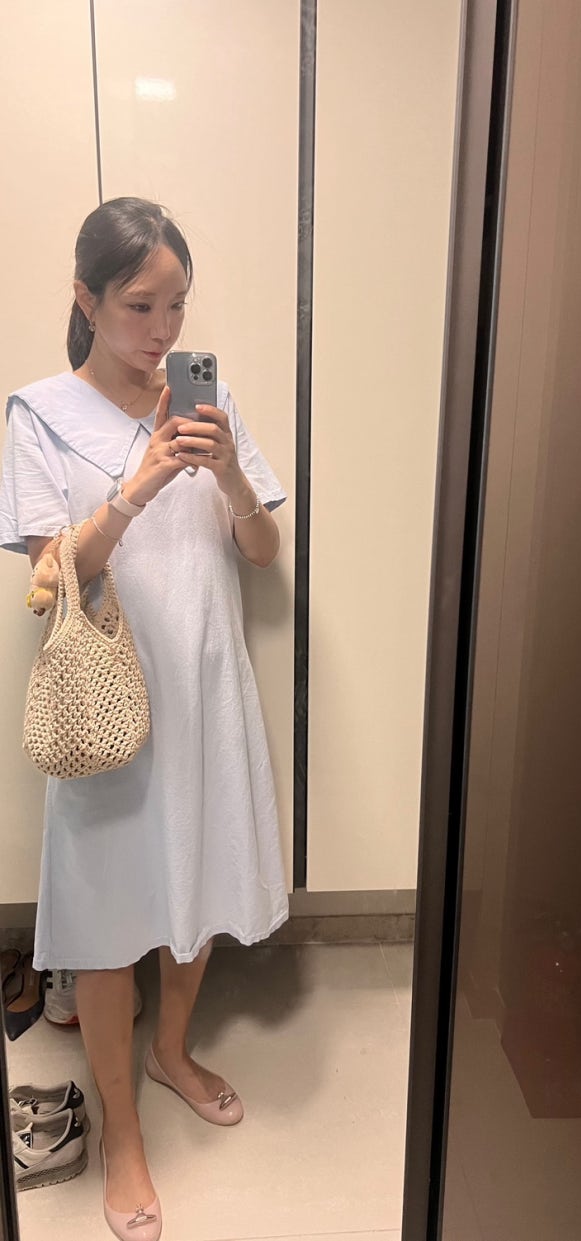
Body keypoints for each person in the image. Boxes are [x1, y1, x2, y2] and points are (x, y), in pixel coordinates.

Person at [0, 197, 289, 1240]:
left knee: (198, 876)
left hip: (205, 684)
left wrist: (228, 474)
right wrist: (136, 488)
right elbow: (54, 575)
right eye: (138, 305)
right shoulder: (38, 414)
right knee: (109, 914)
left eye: (176, 305)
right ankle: (121, 1131)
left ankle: (171, 1051)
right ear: (86, 299)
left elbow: (261, 553)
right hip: (108, 698)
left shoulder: (211, 402)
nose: (161, 329)